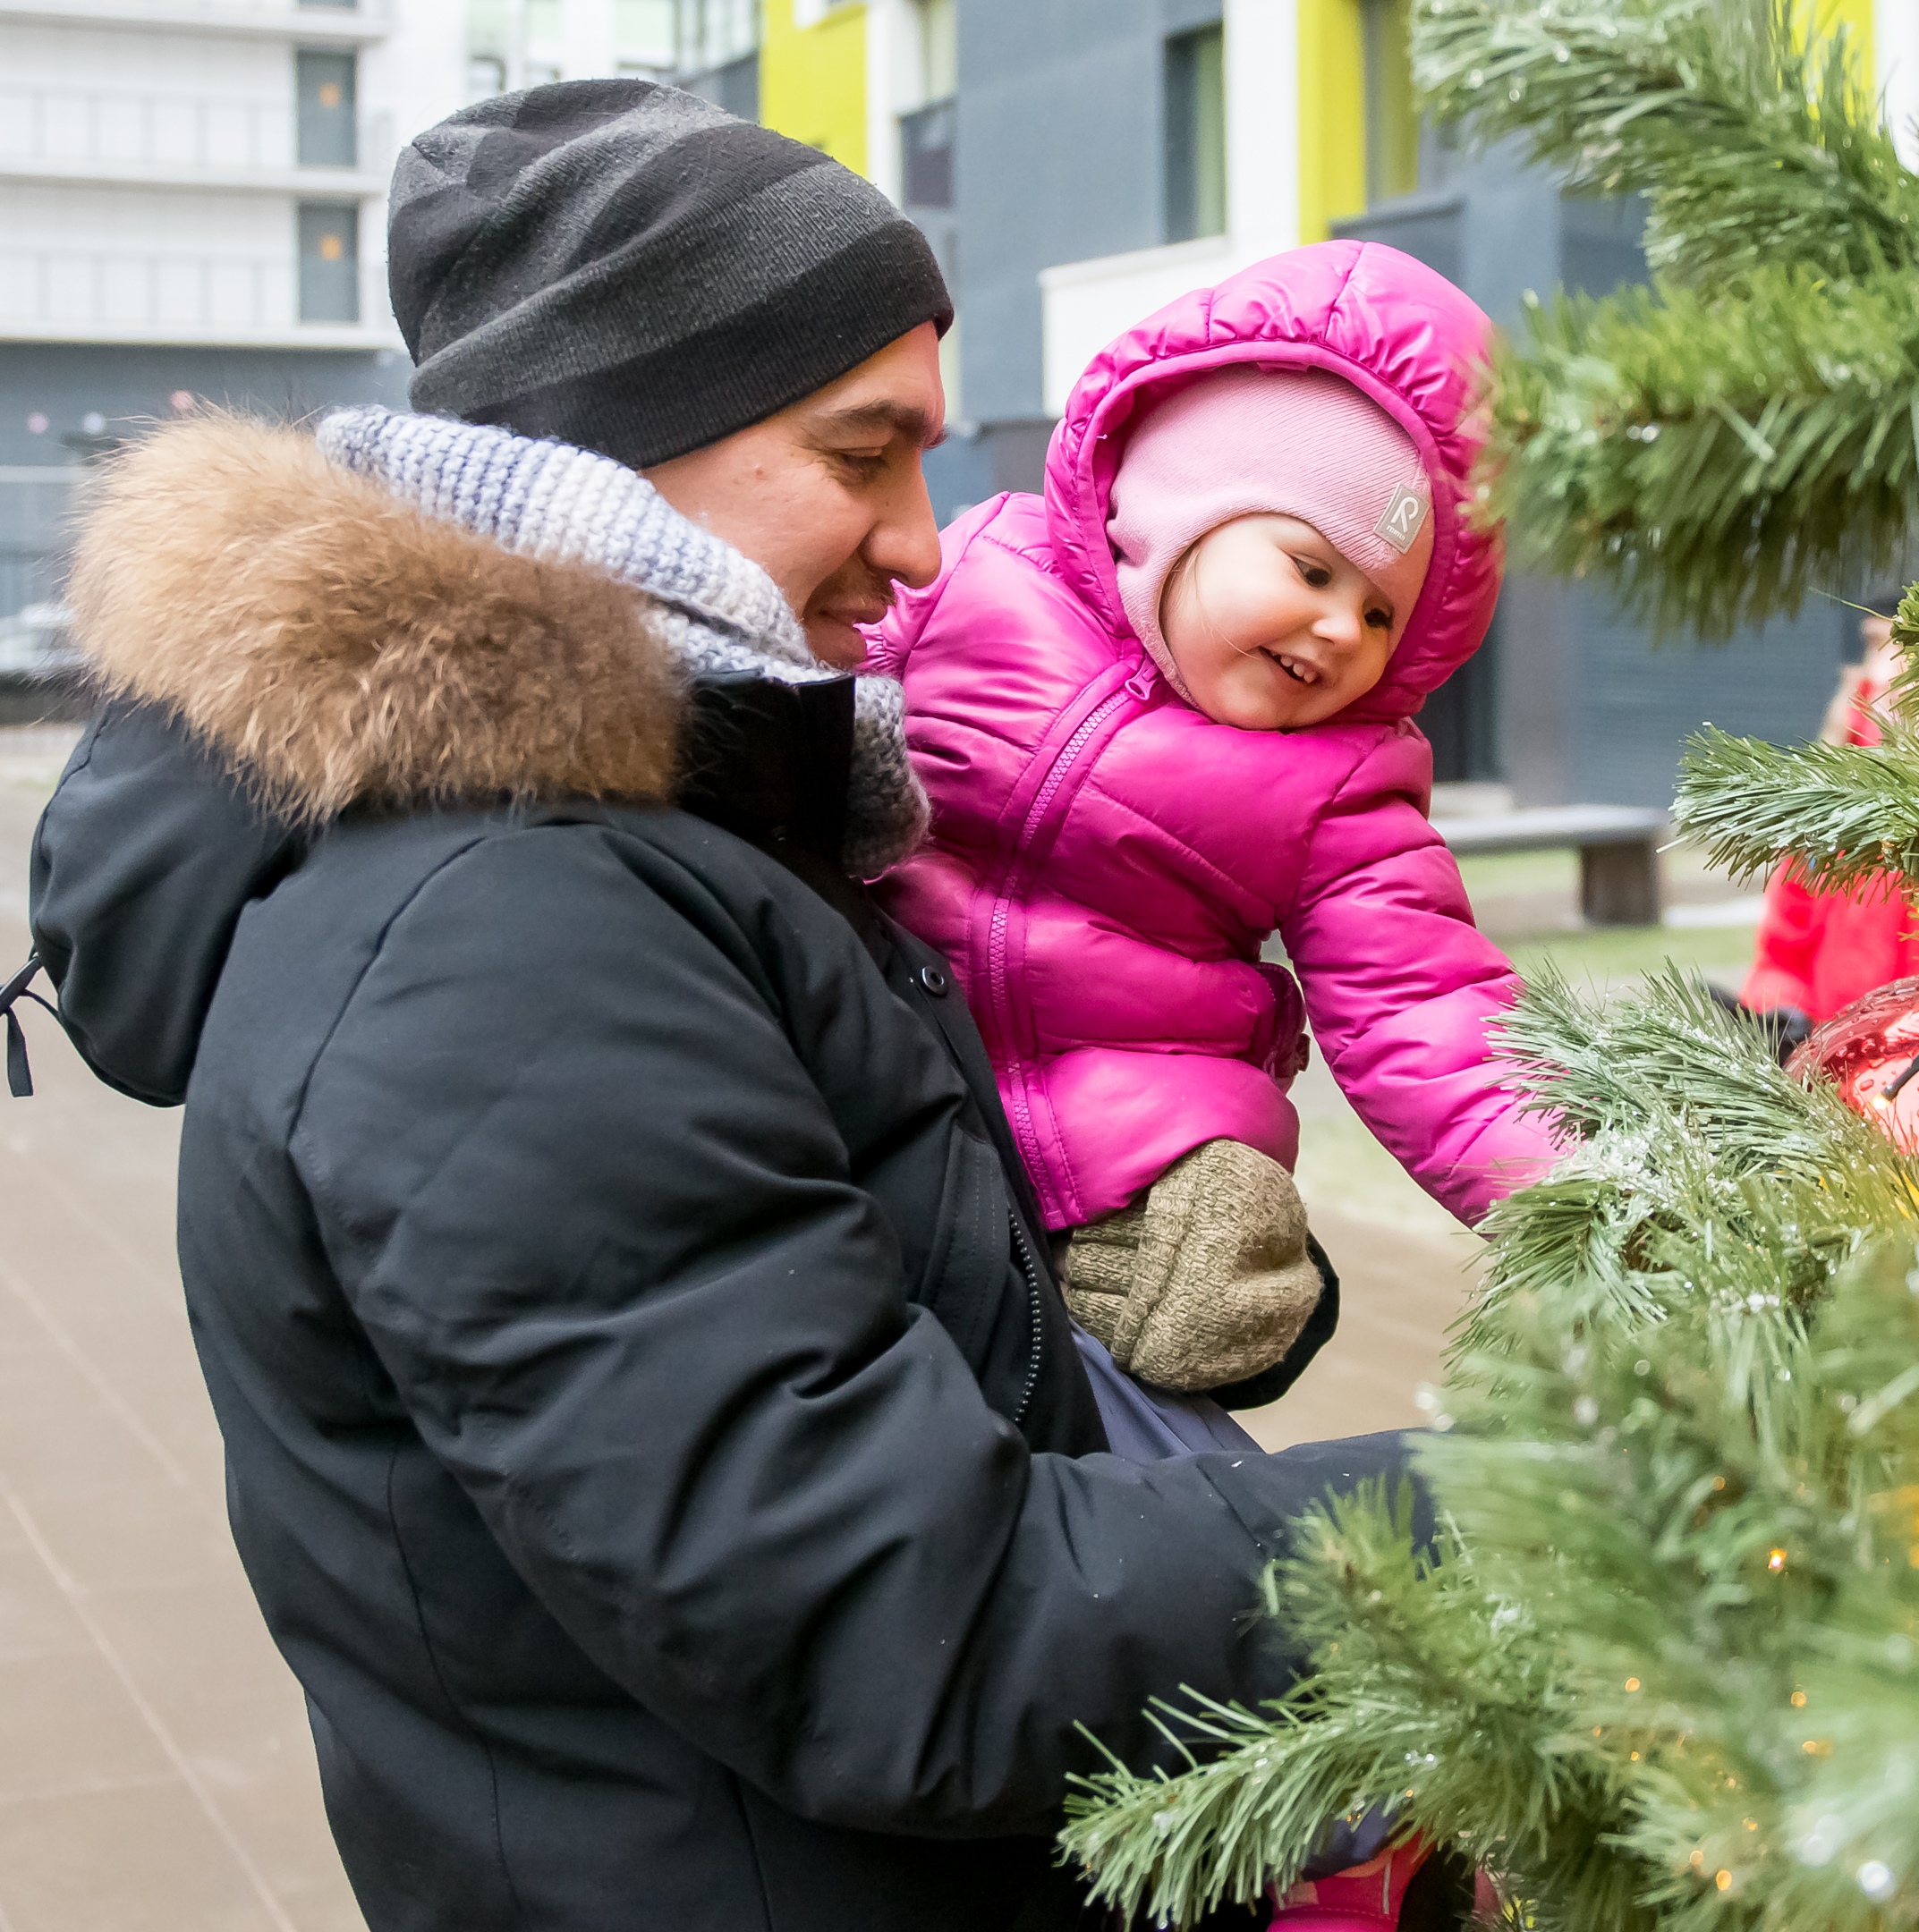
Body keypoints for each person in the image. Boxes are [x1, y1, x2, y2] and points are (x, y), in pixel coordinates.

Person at [15, 85, 1455, 1931]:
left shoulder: (647, 843)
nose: (927, 544)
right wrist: (1535, 1517)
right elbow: (907, 1633)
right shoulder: (511, 931)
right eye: (864, 454)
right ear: (616, 445)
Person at [866, 242, 1558, 1419]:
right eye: (1310, 566)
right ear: (1185, 512)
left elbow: (1424, 1009)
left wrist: (1576, 1191)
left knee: (1221, 1243)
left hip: (1135, 1118)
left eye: (1382, 609)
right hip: (892, 1034)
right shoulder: (981, 567)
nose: (1341, 628)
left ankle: (1139, 1377)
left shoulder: (1345, 782)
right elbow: (836, 672)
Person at [1736, 593, 1919, 1050]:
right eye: (1873, 646)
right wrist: (1784, 1016)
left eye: (1902, 650)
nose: (1882, 671)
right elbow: (1781, 958)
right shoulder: (1828, 816)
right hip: (1829, 1061)